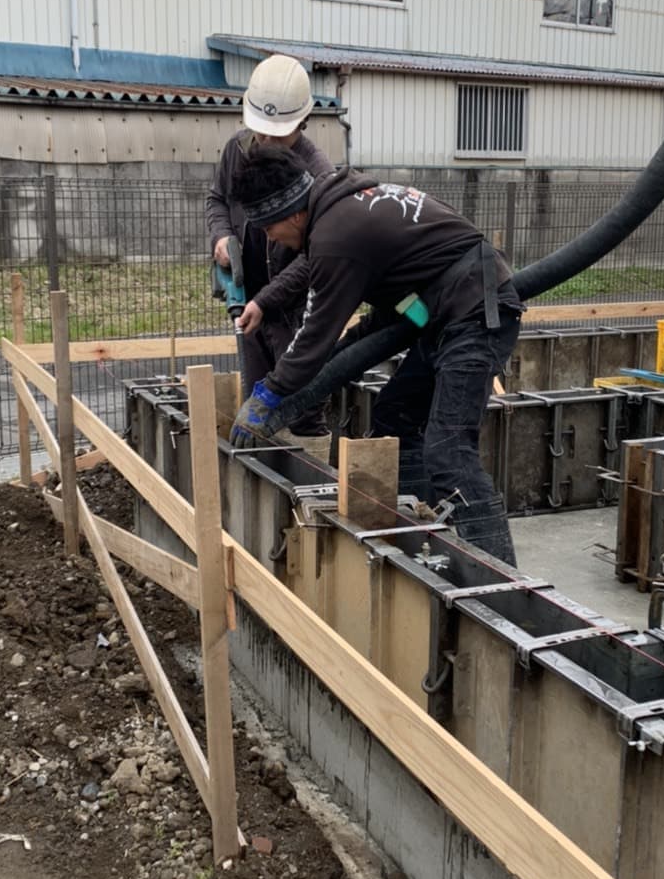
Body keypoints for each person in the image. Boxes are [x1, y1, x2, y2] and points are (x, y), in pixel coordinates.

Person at [228, 147, 521, 566]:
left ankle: (500, 578)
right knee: (395, 413)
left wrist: (268, 396)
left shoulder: (335, 236)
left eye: (268, 227)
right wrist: (336, 357)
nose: (270, 239)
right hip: (445, 311)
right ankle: (423, 531)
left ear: (291, 213)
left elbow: (314, 337)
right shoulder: (342, 208)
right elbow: (377, 319)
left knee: (449, 451)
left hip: (473, 314)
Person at [206, 54, 333, 441]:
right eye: (262, 133)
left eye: (279, 135)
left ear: (302, 122)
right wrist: (221, 237)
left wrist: (268, 300)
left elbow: (315, 259)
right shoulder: (238, 149)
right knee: (257, 399)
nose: (267, 143)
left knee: (302, 403)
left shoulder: (318, 173)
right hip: (248, 299)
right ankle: (264, 466)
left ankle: (309, 465)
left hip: (294, 309)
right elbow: (217, 199)